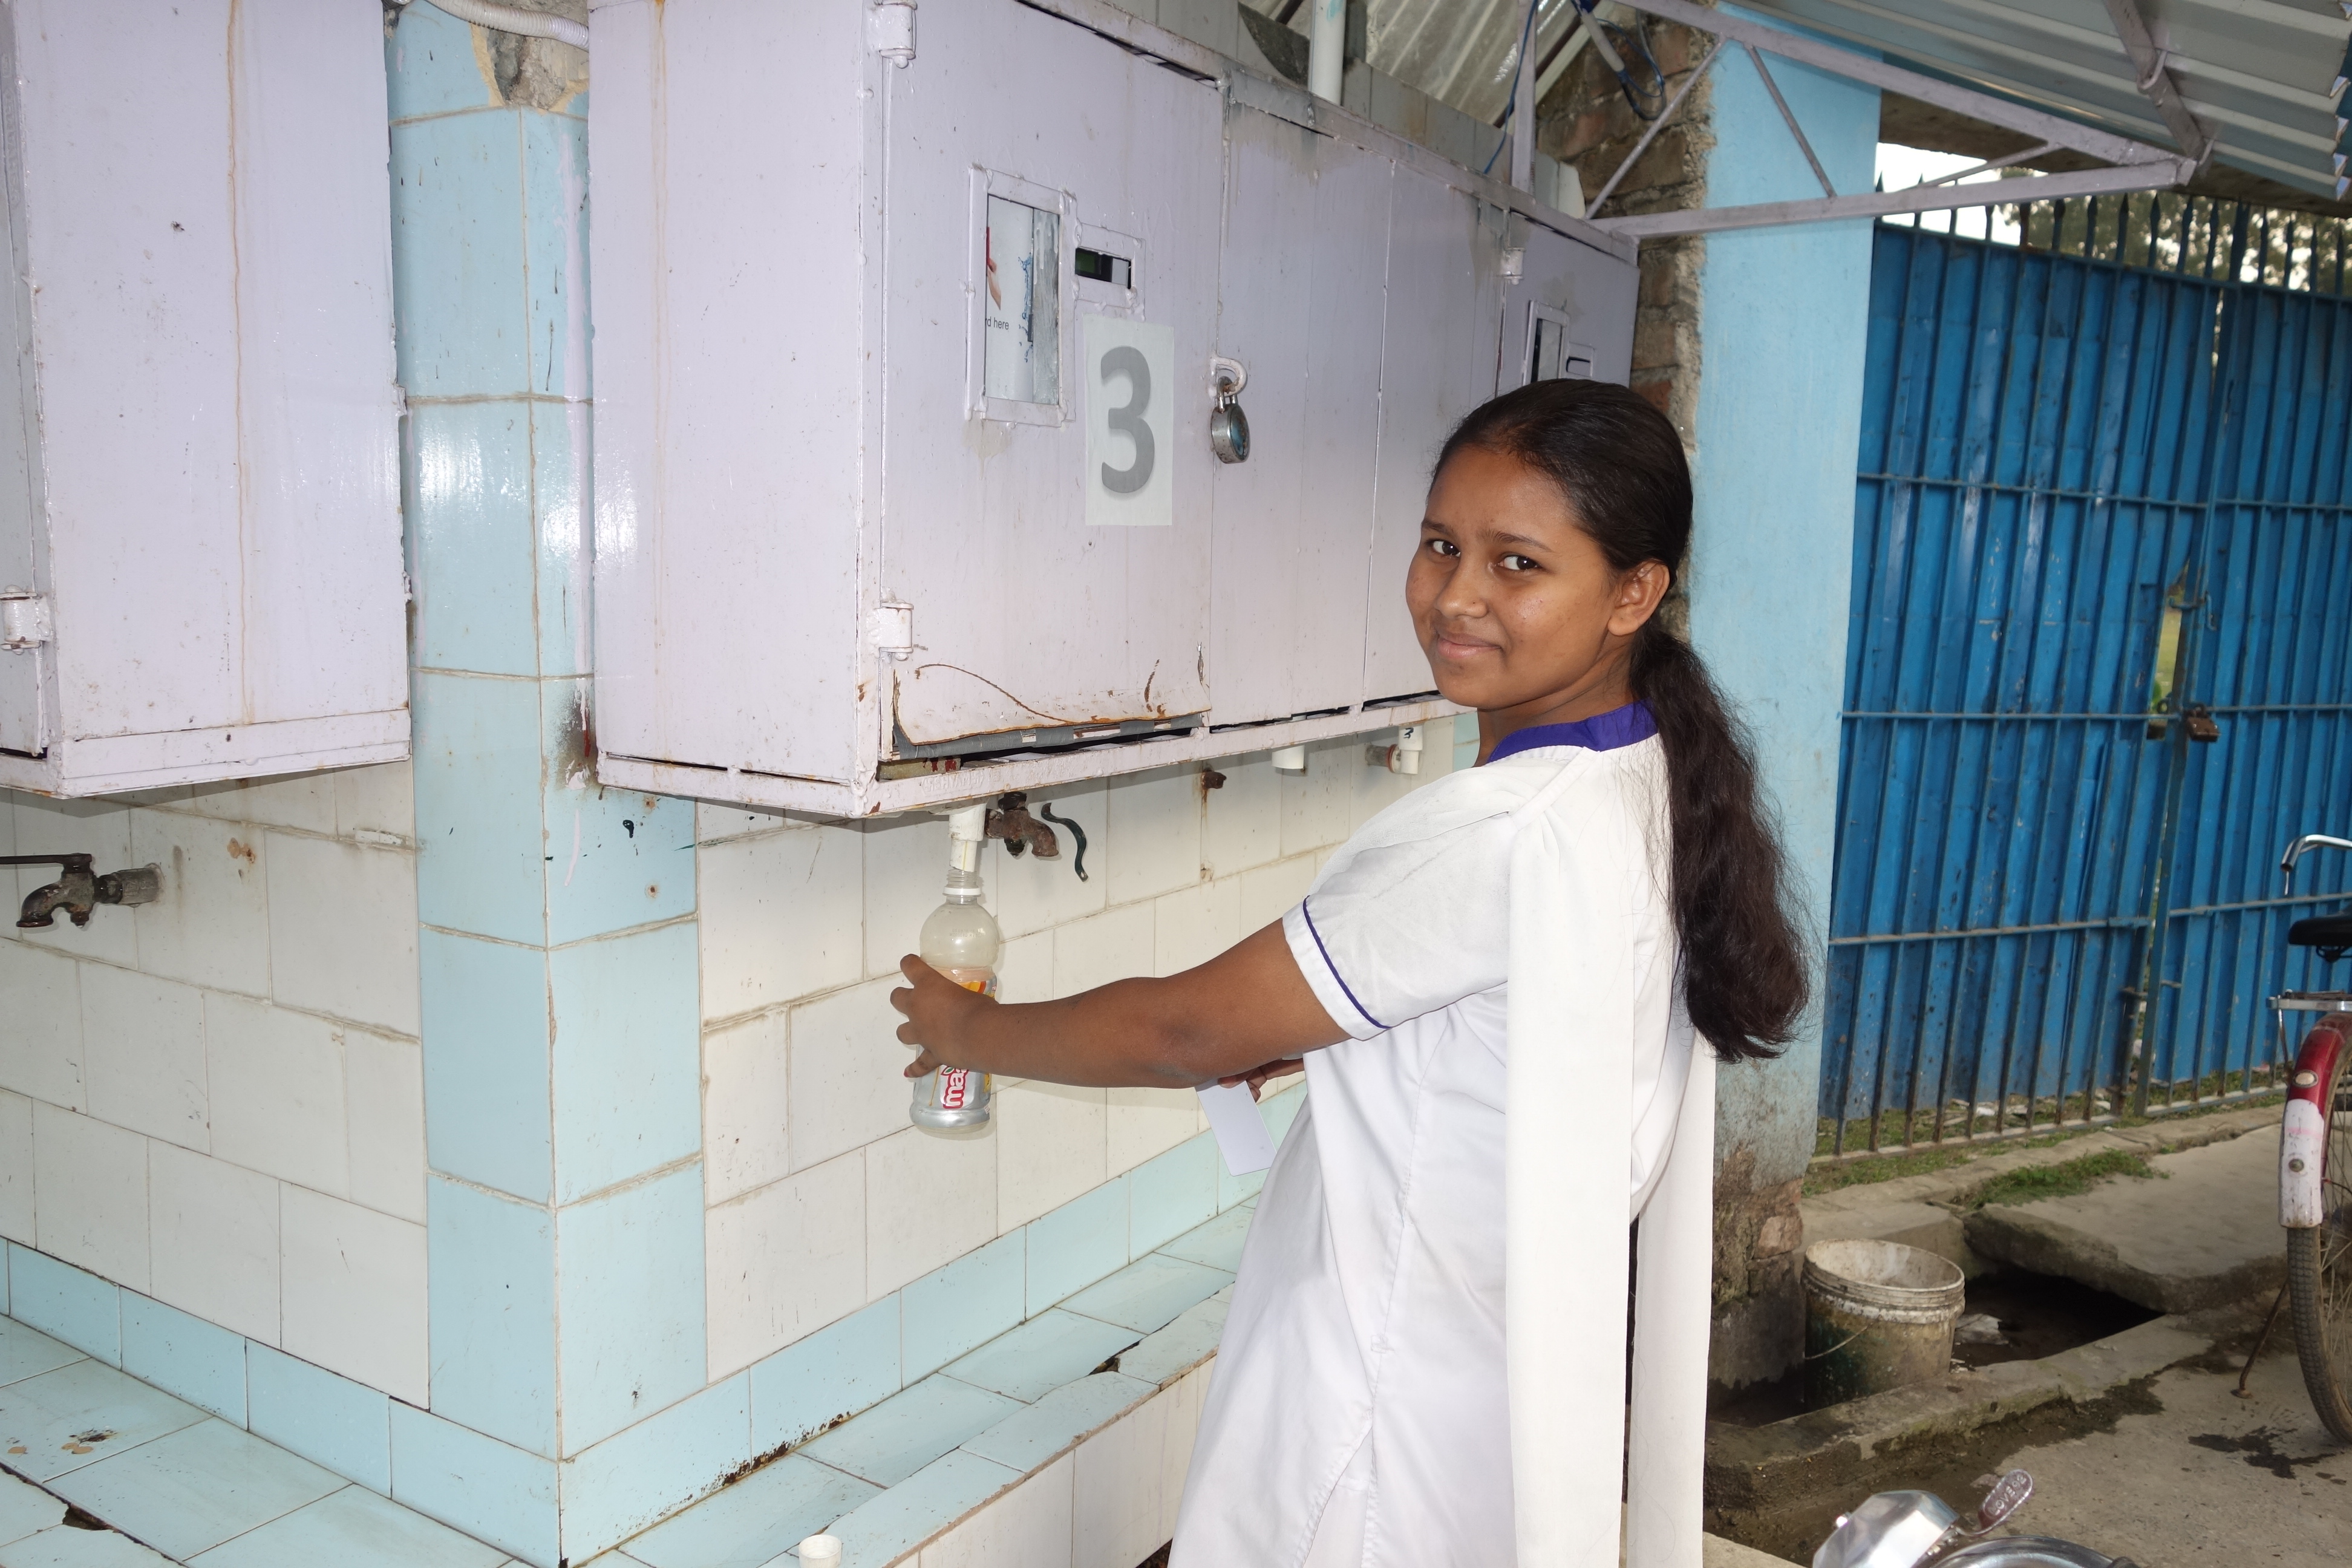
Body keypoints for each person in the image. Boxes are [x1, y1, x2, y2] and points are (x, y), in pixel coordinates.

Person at [890, 378, 1809, 1566]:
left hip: (1378, 1413)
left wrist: (974, 1035)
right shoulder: (1638, 778)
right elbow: (1528, 1028)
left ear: (1634, 592)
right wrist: (1362, 1034)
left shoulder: (1497, 832)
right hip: (1489, 1377)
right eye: (1441, 544)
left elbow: (1182, 1033)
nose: (1456, 596)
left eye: (1518, 564)